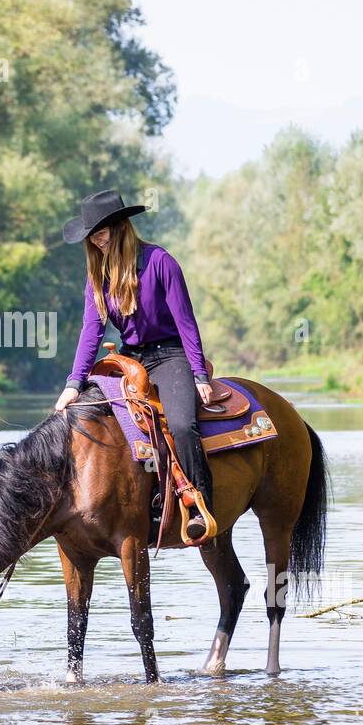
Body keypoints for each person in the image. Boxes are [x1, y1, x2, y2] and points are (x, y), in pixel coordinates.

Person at [54, 189, 215, 540]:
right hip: (131, 358)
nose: (96, 239)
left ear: (120, 226)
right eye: (91, 234)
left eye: (101, 230)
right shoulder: (98, 276)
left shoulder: (160, 262)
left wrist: (199, 372)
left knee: (183, 426)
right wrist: (73, 384)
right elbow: (91, 331)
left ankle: (200, 504)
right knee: (102, 422)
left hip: (170, 355)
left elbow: (186, 323)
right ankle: (143, 501)